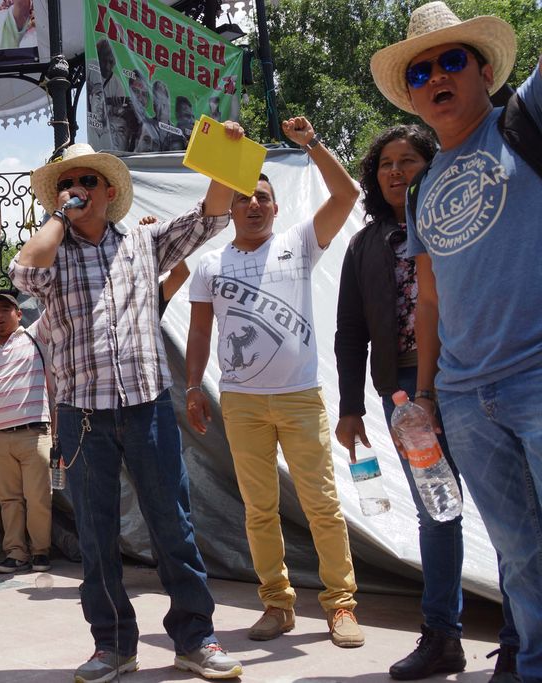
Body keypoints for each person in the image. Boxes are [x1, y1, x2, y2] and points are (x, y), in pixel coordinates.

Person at [11, 141, 243, 681]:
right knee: (96, 535)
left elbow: (210, 216)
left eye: (88, 181)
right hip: (82, 414)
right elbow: (22, 273)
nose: (78, 190)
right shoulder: (53, 251)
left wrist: (228, 152)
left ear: (110, 191)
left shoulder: (144, 241)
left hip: (148, 407)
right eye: (68, 184)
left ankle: (196, 639)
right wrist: (58, 215)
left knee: (173, 527)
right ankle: (113, 646)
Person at [370, 3, 542, 679]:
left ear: (487, 72)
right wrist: (428, 396)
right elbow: (431, 298)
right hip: (466, 400)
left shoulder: (525, 121)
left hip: (537, 375)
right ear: (412, 95)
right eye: (420, 72)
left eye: (451, 61)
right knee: (519, 556)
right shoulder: (420, 191)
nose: (436, 77)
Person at [334, 124, 520, 681]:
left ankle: (520, 641)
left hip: (470, 376)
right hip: (403, 393)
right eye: (385, 164)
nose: (396, 172)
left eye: (408, 161)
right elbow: (350, 332)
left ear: (432, 167)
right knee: (439, 512)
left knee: (507, 513)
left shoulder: (461, 221)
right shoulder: (365, 244)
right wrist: (350, 408)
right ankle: (442, 638)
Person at [185, 117, 364, 648]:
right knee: (259, 510)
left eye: (262, 197)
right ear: (231, 208)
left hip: (300, 397)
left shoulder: (299, 244)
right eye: (243, 198)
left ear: (276, 206)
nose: (253, 205)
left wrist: (313, 144)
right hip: (241, 403)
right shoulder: (209, 264)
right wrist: (193, 387)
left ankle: (341, 605)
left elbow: (347, 194)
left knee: (322, 504)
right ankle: (276, 604)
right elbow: (199, 332)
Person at [0, 291, 52, 575]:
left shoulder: (35, 336)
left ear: (19, 314)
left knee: (38, 498)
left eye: (6, 310)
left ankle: (40, 551)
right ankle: (15, 553)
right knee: (8, 500)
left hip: (34, 432)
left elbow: (55, 306)